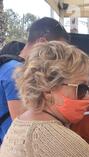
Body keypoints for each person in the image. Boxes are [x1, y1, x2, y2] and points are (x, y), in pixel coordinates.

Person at [0, 17, 68, 145]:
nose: (59, 59)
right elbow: (24, 127)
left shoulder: (11, 66)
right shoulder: (16, 72)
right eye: (56, 51)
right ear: (41, 42)